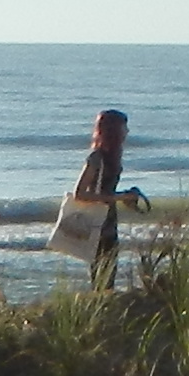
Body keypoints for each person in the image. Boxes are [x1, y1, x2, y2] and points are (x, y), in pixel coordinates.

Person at [60, 106, 133, 286]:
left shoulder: (113, 155)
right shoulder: (97, 157)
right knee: (102, 276)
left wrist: (125, 198)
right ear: (114, 131)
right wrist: (119, 197)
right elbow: (80, 193)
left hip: (108, 221)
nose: (127, 132)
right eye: (124, 128)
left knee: (108, 273)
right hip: (97, 222)